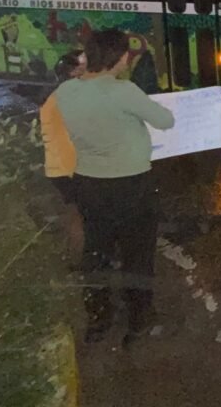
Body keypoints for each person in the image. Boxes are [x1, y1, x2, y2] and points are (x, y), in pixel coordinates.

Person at [54, 29, 175, 346]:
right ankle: (138, 320)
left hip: (89, 184)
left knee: (97, 250)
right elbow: (165, 121)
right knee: (138, 253)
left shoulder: (66, 91)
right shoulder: (125, 91)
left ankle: (98, 319)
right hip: (132, 183)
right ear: (119, 57)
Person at [40, 50, 87, 262]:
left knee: (76, 213)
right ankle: (83, 263)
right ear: (73, 72)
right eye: (85, 66)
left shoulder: (58, 96)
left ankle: (79, 260)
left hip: (61, 167)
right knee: (81, 215)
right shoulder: (70, 97)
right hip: (71, 168)